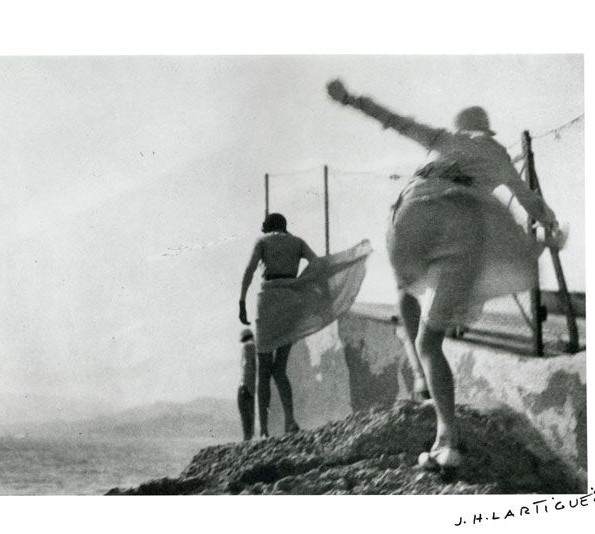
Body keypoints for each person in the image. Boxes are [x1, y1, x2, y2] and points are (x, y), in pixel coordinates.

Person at [326, 79, 564, 472]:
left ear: (465, 128)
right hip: (469, 234)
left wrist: (352, 100)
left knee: (407, 295)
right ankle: (446, 439)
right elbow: (529, 200)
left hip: (423, 215)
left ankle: (430, 401)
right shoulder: (500, 156)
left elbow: (396, 121)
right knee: (431, 338)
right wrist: (550, 224)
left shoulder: (450, 141)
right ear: (487, 130)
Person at [240, 213, 371, 437]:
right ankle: (290, 421)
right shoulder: (297, 242)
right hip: (292, 301)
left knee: (264, 369)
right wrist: (303, 283)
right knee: (280, 369)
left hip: (269, 301)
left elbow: (250, 271)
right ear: (284, 226)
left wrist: (242, 302)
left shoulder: (262, 242)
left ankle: (263, 430)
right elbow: (319, 265)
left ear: (268, 227)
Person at [237, 328, 257, 441]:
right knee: (250, 418)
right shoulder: (255, 348)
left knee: (246, 419)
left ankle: (247, 440)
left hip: (245, 387)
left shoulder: (247, 347)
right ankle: (248, 440)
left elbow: (247, 368)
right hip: (251, 388)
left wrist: (246, 386)